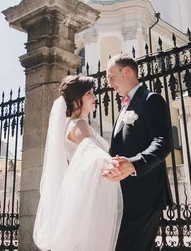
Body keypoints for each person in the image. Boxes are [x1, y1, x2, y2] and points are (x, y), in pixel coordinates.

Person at [33, 75, 123, 251]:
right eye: (89, 93)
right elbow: (90, 151)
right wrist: (112, 165)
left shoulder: (71, 124)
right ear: (76, 100)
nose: (95, 97)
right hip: (89, 192)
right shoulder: (79, 125)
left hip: (82, 189)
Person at [103, 54, 173, 251]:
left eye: (111, 77)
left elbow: (163, 141)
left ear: (126, 71)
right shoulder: (124, 107)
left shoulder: (151, 100)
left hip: (146, 194)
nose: (110, 84)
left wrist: (134, 163)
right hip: (125, 197)